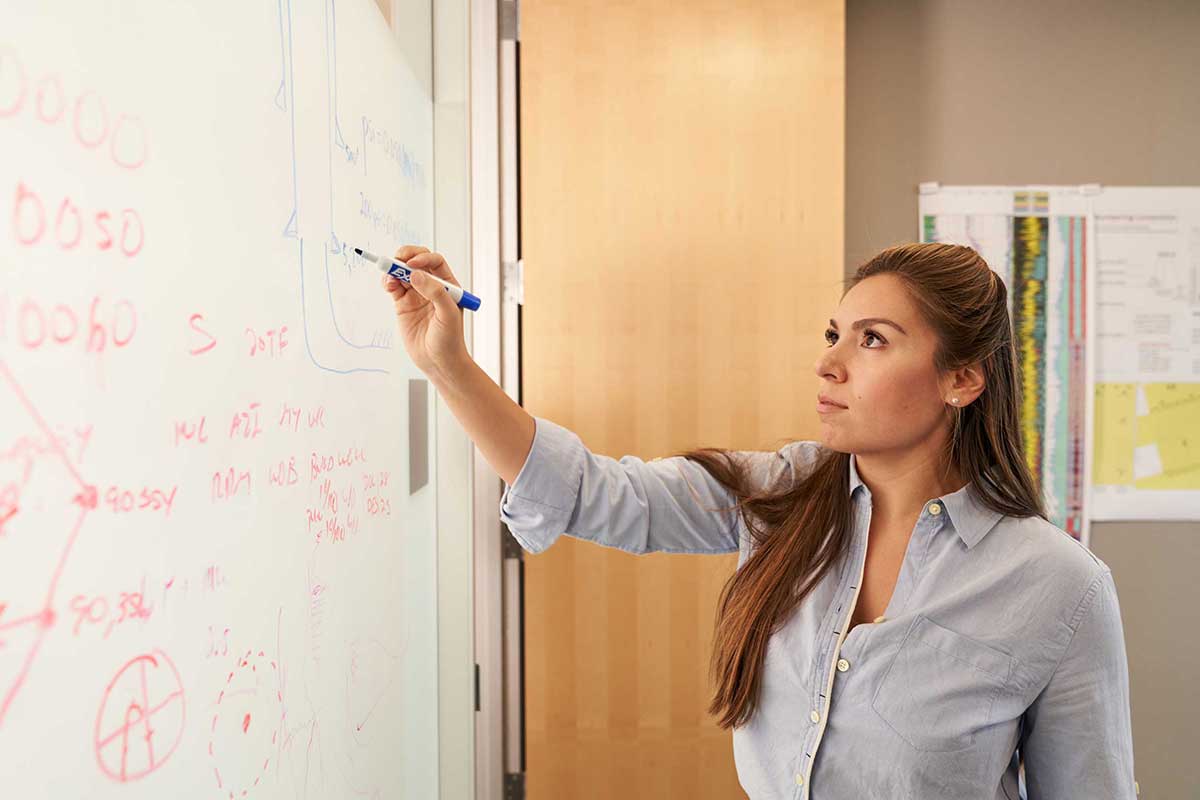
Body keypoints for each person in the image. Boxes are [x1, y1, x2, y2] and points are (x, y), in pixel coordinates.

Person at [381, 242, 1137, 800]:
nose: (830, 363)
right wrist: (448, 364)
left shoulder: (1059, 589)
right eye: (833, 335)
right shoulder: (783, 495)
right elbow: (591, 492)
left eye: (872, 340)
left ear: (963, 379)